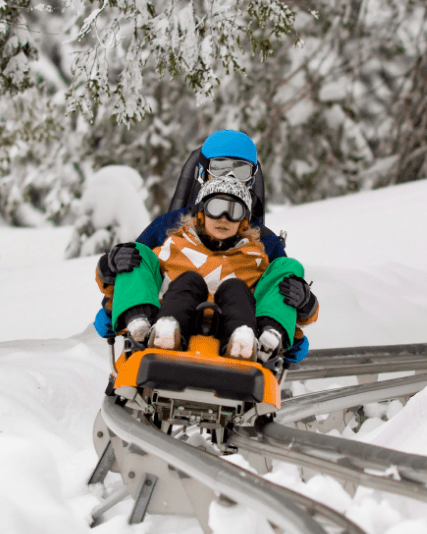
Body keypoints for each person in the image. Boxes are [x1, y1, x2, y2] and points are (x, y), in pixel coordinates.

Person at [94, 129, 317, 363]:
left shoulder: (264, 242)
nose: (229, 177)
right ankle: (148, 325)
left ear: (251, 178)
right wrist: (111, 278)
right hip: (166, 318)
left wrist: (303, 304)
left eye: (240, 170)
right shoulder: (168, 227)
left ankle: (262, 338)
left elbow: (277, 287)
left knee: (269, 276)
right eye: (220, 167)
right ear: (202, 171)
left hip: (240, 328)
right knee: (142, 258)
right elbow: (139, 271)